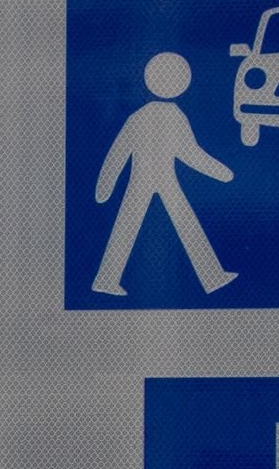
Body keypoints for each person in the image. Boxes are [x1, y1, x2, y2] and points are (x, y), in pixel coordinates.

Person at [91, 52, 236, 298]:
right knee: (181, 223)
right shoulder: (175, 116)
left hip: (148, 180)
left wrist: (105, 186)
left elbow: (117, 154)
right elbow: (191, 154)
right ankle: (212, 276)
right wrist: (221, 172)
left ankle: (106, 279)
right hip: (159, 179)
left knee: (135, 224)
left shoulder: (138, 116)